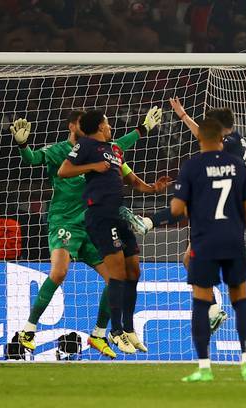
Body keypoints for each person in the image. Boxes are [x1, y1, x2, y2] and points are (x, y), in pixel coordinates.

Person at [12, 109, 148, 358]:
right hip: (63, 222)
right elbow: (31, 159)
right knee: (59, 271)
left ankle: (98, 334)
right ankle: (28, 331)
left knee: (114, 279)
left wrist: (142, 130)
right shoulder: (58, 150)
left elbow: (119, 145)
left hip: (90, 225)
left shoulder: (97, 148)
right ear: (73, 127)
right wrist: (22, 145)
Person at [122, 97, 246, 332]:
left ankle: (147, 222)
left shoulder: (230, 141)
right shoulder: (236, 141)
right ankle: (212, 310)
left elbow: (203, 136)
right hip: (225, 204)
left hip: (222, 209)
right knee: (188, 258)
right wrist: (182, 116)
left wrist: (183, 117)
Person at [57, 108, 170, 354]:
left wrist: (152, 188)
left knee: (134, 270)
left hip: (119, 213)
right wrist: (92, 167)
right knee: (117, 271)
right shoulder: (86, 146)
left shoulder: (115, 150)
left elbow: (129, 179)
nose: (110, 127)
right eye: (107, 124)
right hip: (100, 215)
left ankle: (129, 328)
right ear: (99, 127)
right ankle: (115, 331)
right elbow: (64, 170)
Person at [171, 118, 246, 382]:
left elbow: (177, 210)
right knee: (241, 302)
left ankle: (204, 368)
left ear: (200, 138)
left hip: (204, 242)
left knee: (201, 305)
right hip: (234, 241)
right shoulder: (238, 166)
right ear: (221, 139)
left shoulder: (192, 167)